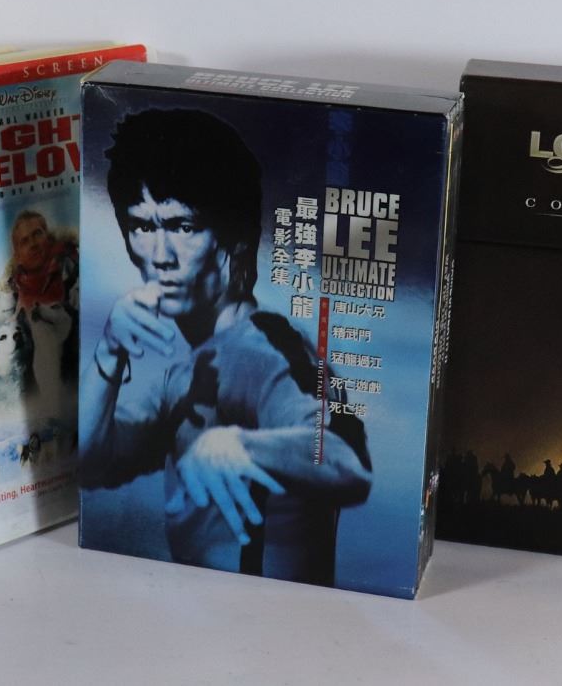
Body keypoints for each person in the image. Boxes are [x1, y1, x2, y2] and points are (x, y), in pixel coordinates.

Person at [80, 108, 372, 586]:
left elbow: (346, 462)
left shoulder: (266, 349)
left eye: (183, 226)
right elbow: (92, 465)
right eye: (143, 227)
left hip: (277, 618)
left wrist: (237, 444)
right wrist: (110, 355)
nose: (161, 257)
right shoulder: (189, 372)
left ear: (233, 237)